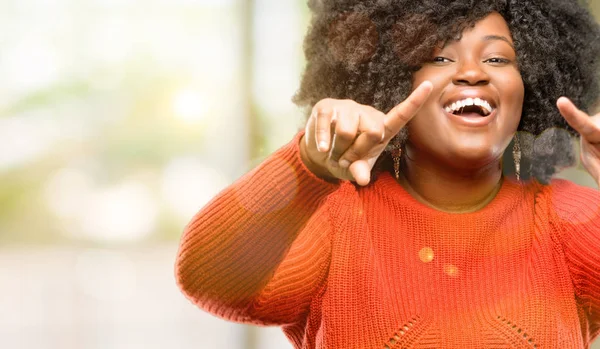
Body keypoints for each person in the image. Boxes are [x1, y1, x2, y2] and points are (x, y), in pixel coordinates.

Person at [175, 0, 600, 348]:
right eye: (439, 57)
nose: (473, 72)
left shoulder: (568, 220)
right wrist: (307, 163)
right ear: (390, 81)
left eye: (496, 57)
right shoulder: (335, 219)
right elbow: (209, 279)